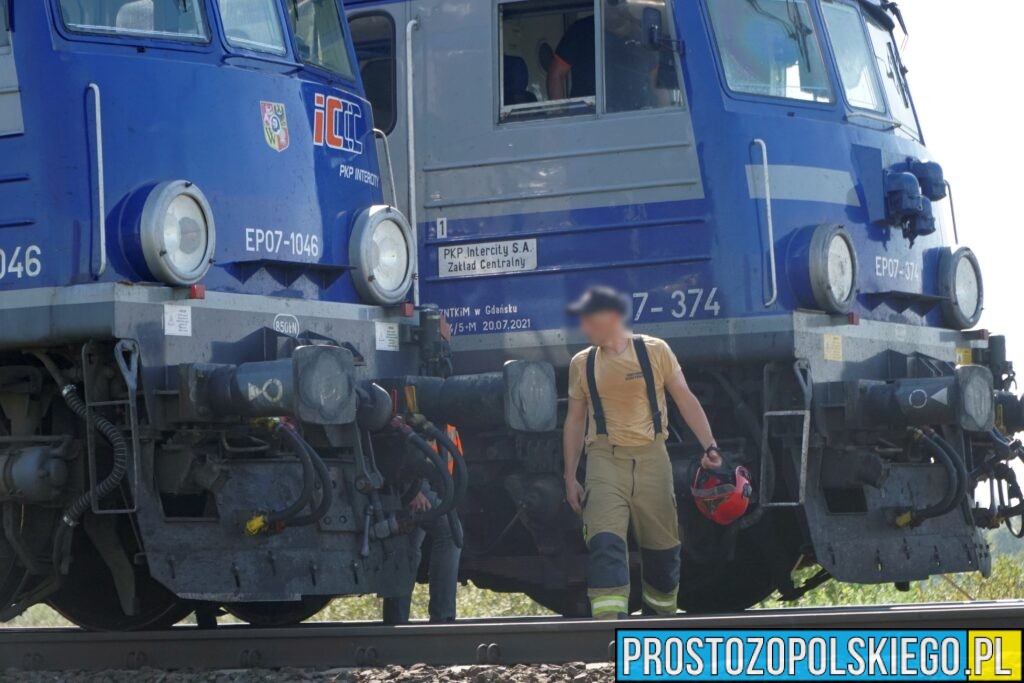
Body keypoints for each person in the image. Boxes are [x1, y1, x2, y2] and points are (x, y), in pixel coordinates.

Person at [562, 286, 722, 619]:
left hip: (652, 458)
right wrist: (569, 476)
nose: (584, 328)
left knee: (664, 556)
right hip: (605, 460)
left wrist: (710, 446)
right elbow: (575, 421)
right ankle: (611, 634)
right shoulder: (582, 363)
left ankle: (657, 629)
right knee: (605, 545)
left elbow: (685, 398)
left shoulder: (655, 352)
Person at [546, 4, 660, 112]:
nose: (615, 5)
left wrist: (660, 115)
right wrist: (560, 117)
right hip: (587, 120)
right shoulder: (580, 31)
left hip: (637, 117)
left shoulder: (645, 33)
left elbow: (657, 81)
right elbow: (556, 74)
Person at [382, 481, 461, 624]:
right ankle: (443, 617)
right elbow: (396, 457)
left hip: (416, 481)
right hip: (410, 481)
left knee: (407, 549)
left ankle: (396, 622)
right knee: (450, 534)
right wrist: (409, 489)